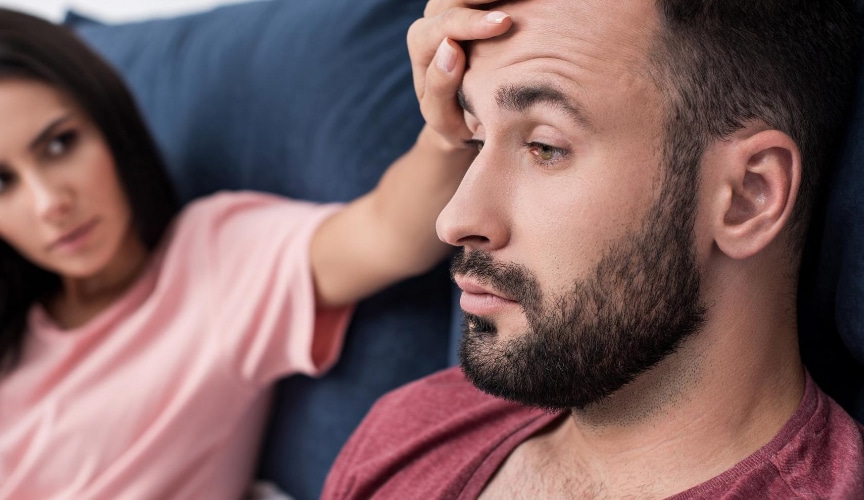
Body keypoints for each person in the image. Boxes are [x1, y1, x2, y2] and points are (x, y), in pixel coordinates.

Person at [0, 6, 507, 499]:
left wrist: (445, 117)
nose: (47, 202)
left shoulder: (216, 257)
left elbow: (389, 232)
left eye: (59, 144)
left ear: (108, 126)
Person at [323, 0, 864, 498]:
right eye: (477, 137)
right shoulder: (407, 432)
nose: (454, 221)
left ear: (749, 197)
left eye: (545, 147)